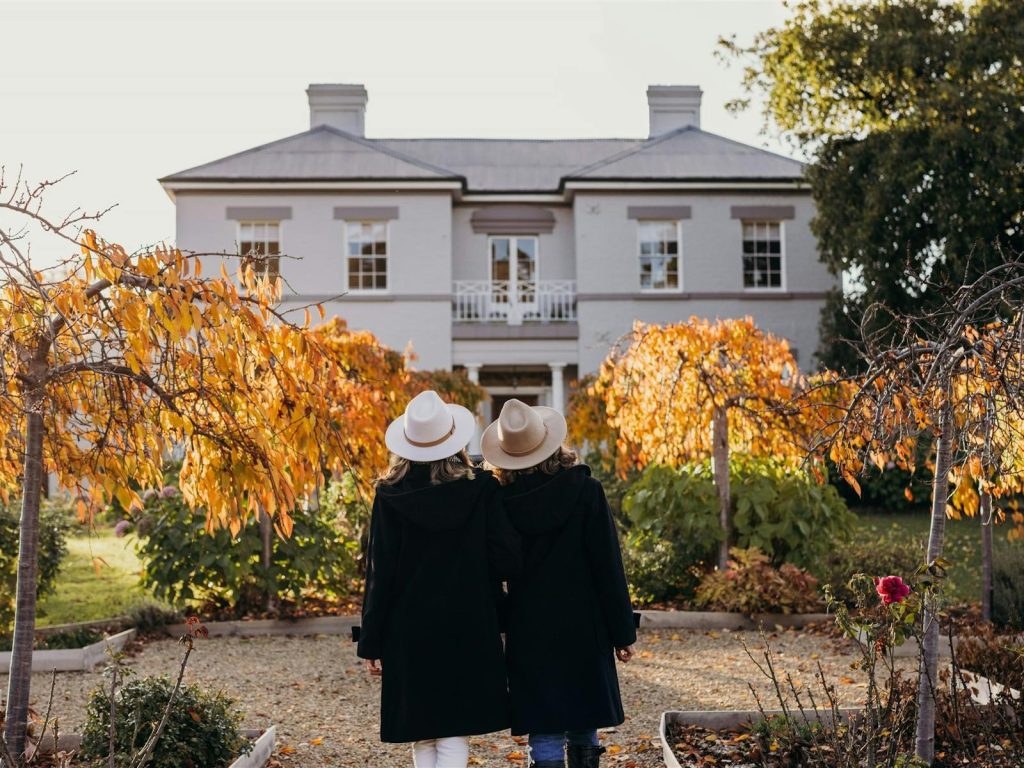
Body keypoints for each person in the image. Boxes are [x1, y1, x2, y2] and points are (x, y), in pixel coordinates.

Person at [357, 390, 519, 768]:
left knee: (423, 726)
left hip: (407, 624)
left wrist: (372, 640)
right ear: (453, 441)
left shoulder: (389, 495)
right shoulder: (481, 489)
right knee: (453, 726)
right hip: (468, 618)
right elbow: (507, 558)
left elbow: (379, 571)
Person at [481, 399, 637, 768]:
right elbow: (607, 568)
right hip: (585, 624)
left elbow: (495, 570)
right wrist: (622, 633)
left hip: (530, 625)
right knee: (584, 723)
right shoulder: (587, 492)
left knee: (544, 729)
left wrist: (501, 623)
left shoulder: (500, 501)